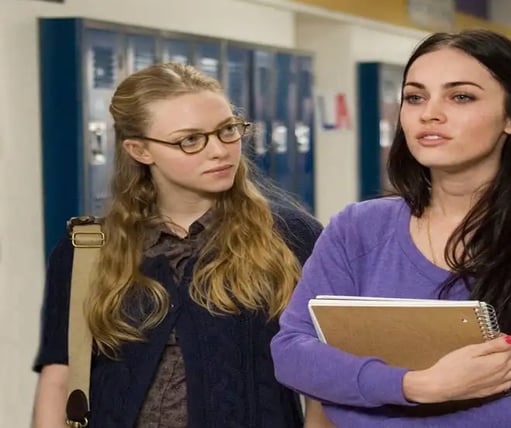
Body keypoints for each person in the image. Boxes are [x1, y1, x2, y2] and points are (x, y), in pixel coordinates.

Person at [271, 29, 511, 427]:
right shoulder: (357, 228)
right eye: (415, 97)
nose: (430, 112)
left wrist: (359, 410)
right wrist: (417, 386)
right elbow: (293, 353)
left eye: (460, 96)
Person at [31, 63, 323, 427]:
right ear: (139, 150)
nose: (219, 151)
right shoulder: (87, 249)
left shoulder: (292, 236)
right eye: (190, 139)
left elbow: (326, 374)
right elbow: (60, 378)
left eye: (227, 130)